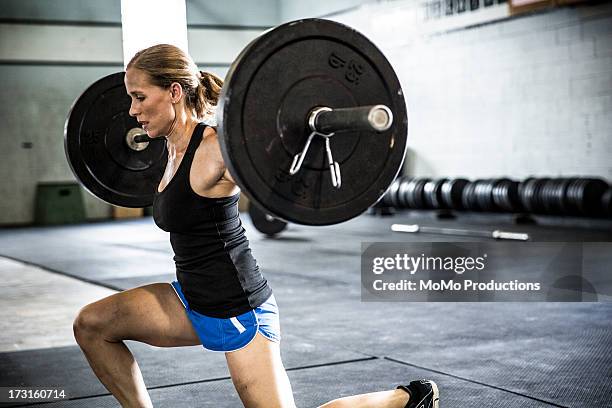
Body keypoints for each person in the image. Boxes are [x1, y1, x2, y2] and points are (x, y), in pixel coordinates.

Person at [72, 43, 439, 408]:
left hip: (240, 311)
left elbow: (270, 175)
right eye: (130, 99)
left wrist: (305, 134)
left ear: (174, 92)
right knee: (92, 324)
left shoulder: (214, 149)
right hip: (191, 301)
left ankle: (405, 398)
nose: (132, 110)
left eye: (139, 97)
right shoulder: (166, 148)